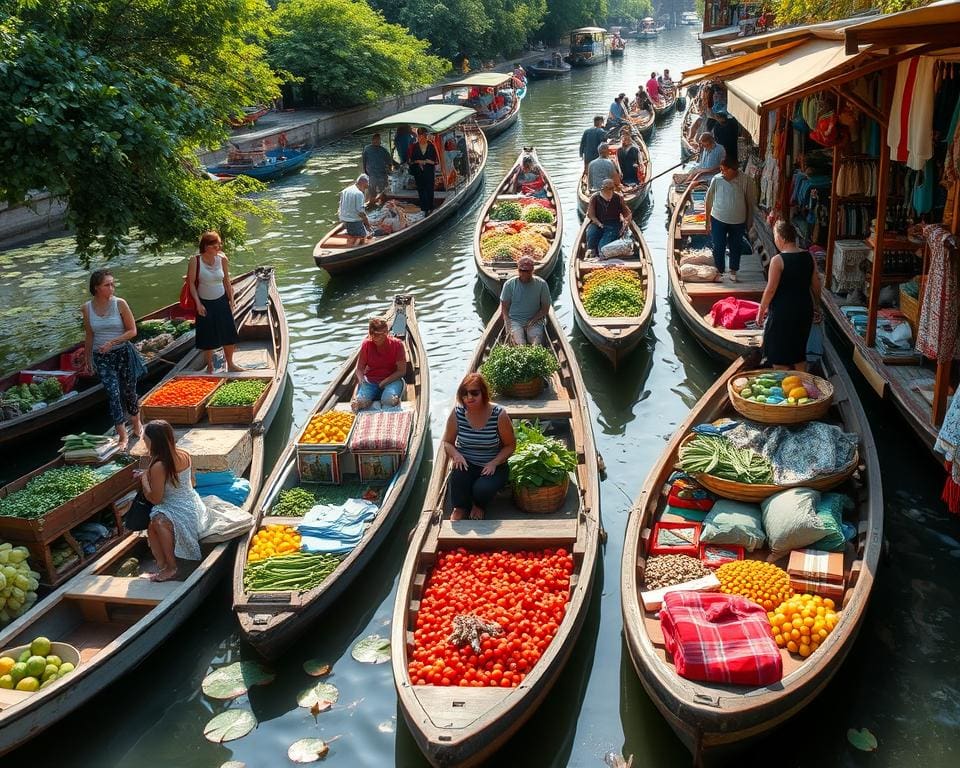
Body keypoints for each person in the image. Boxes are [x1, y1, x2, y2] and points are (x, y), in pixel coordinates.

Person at [81, 269, 146, 451]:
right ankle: (122, 435)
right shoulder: (87, 308)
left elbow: (132, 331)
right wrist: (88, 360)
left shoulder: (120, 304)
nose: (112, 287)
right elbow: (89, 335)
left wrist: (113, 342)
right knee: (113, 394)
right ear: (96, 288)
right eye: (107, 285)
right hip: (101, 357)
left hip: (122, 352)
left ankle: (136, 422)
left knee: (129, 391)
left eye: (112, 283)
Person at [442, 373, 515, 521]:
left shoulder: (499, 415)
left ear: (483, 393)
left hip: (492, 465)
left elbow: (510, 445)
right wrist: (456, 455)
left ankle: (479, 505)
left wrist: (495, 462)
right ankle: (460, 507)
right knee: (458, 478)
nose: (469, 397)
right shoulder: (457, 413)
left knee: (482, 489)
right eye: (465, 393)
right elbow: (447, 442)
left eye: (474, 393)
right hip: (466, 463)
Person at [139, 419, 204, 582]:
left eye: (145, 439)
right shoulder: (184, 454)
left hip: (179, 507)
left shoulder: (158, 466)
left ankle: (171, 568)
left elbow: (155, 498)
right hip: (192, 502)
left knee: (158, 521)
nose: (143, 441)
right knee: (153, 524)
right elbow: (193, 482)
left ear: (153, 442)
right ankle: (163, 565)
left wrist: (144, 481)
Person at [757, 220, 820, 370]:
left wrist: (761, 311)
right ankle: (803, 386)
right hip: (804, 310)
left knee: (779, 356)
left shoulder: (777, 260)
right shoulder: (809, 256)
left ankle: (783, 390)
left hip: (782, 312)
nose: (775, 240)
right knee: (799, 353)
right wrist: (817, 306)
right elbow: (816, 285)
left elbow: (770, 290)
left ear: (782, 238)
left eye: (775, 236)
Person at [187, 231, 242, 374]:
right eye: (215, 244)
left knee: (228, 332)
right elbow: (191, 283)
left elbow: (226, 280)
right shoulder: (195, 260)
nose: (218, 247)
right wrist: (198, 303)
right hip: (204, 302)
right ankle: (210, 366)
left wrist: (231, 299)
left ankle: (230, 363)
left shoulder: (222, 259)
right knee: (207, 335)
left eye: (219, 244)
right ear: (206, 246)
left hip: (221, 300)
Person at [705, 157, 757, 281]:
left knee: (736, 246)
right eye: (721, 170)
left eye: (725, 170)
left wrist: (749, 222)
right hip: (718, 218)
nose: (722, 172)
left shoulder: (746, 181)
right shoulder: (716, 179)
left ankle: (733, 270)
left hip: (738, 221)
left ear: (734, 170)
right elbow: (708, 200)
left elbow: (750, 202)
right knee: (718, 245)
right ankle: (720, 270)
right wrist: (707, 221)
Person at [352, 316, 407, 411]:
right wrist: (362, 381)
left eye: (379, 335)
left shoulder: (397, 345)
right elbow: (360, 368)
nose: (375, 338)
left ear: (386, 333)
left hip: (392, 380)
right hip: (370, 381)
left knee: (389, 401)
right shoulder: (366, 344)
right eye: (372, 334)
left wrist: (384, 382)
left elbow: (401, 371)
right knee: (359, 402)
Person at [500, 256, 551, 345]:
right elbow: (504, 306)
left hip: (535, 320)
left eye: (527, 271)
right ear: (518, 270)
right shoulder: (509, 284)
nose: (524, 274)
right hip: (515, 320)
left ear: (532, 271)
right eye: (521, 271)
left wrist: (533, 320)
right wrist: (508, 324)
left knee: (536, 342)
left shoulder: (542, 284)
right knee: (520, 344)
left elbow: (545, 308)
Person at [585, 179, 632, 257]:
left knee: (602, 246)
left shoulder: (618, 197)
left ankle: (601, 252)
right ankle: (592, 251)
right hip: (598, 223)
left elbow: (627, 213)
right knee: (591, 234)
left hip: (614, 224)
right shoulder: (595, 198)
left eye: (612, 188)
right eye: (609, 188)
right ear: (603, 188)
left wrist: (626, 222)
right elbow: (591, 215)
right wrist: (599, 223)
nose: (611, 191)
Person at [408, 127, 438, 215]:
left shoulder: (431, 146)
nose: (421, 139)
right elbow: (412, 160)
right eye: (419, 136)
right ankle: (424, 209)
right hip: (418, 171)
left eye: (423, 136)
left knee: (429, 189)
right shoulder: (414, 146)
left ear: (426, 136)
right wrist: (420, 162)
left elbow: (433, 161)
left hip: (429, 171)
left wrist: (424, 161)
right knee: (421, 190)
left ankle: (430, 207)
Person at [338, 175, 372, 245]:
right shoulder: (359, 194)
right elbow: (361, 213)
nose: (367, 186)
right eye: (367, 184)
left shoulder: (346, 190)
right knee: (369, 236)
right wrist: (368, 225)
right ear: (363, 183)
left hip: (344, 220)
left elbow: (340, 205)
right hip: (353, 222)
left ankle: (350, 232)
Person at [361, 133, 394, 205]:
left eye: (378, 140)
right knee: (372, 192)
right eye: (374, 140)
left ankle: (383, 204)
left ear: (380, 141)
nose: (376, 142)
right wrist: (364, 171)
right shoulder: (367, 149)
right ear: (372, 140)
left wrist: (390, 170)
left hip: (382, 174)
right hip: (371, 174)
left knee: (383, 192)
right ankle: (372, 203)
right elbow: (364, 160)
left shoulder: (383, 150)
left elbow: (389, 162)